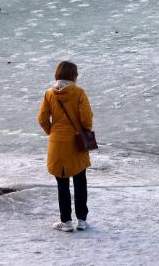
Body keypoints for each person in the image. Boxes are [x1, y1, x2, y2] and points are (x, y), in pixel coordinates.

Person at [38, 61, 94, 232]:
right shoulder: (78, 93)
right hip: (76, 142)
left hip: (57, 143)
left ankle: (66, 221)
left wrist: (52, 132)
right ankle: (82, 220)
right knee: (80, 181)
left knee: (62, 182)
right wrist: (85, 131)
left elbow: (42, 118)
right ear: (74, 75)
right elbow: (86, 118)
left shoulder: (49, 94)